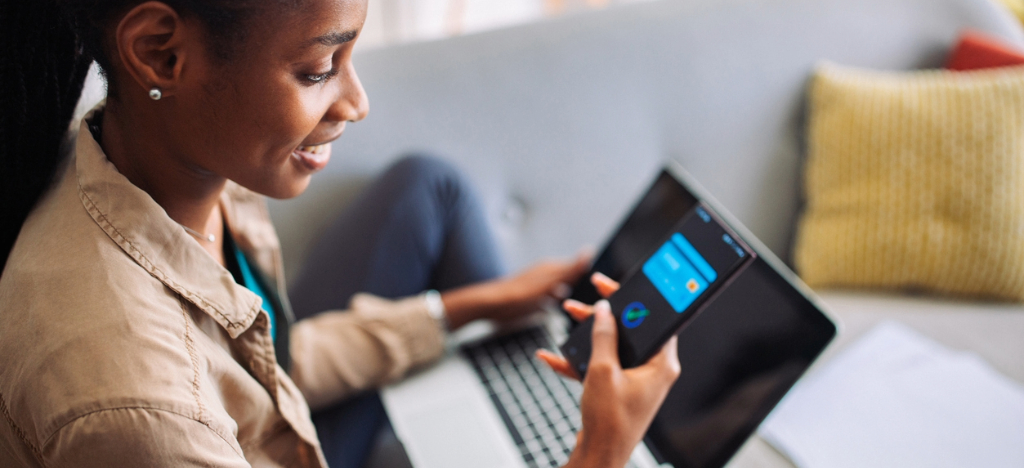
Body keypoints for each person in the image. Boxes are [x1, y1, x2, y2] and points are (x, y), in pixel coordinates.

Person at [0, 1, 681, 467]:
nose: (357, 103)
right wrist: (600, 450)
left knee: (428, 185)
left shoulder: (169, 171)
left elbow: (264, 368)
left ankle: (512, 394)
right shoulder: (140, 411)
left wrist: (467, 309)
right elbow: (196, 393)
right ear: (160, 53)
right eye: (319, 68)